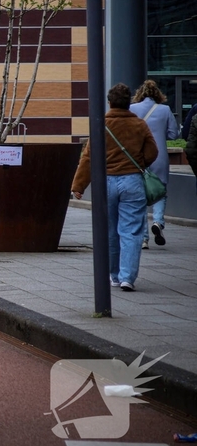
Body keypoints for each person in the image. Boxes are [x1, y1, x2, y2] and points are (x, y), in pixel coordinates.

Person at [72, 83, 158, 292]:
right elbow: (152, 152)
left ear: (110, 102)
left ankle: (114, 275)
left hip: (106, 182)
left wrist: (79, 185)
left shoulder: (101, 125)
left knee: (110, 231)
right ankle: (128, 277)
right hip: (132, 181)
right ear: (129, 103)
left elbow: (88, 157)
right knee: (131, 231)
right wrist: (138, 164)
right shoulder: (139, 125)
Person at [129, 80, 178, 249]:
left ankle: (143, 239)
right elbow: (173, 135)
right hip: (159, 157)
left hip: (138, 157)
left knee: (139, 197)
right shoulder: (165, 110)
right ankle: (158, 221)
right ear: (158, 94)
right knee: (160, 191)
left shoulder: (132, 109)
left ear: (139, 93)